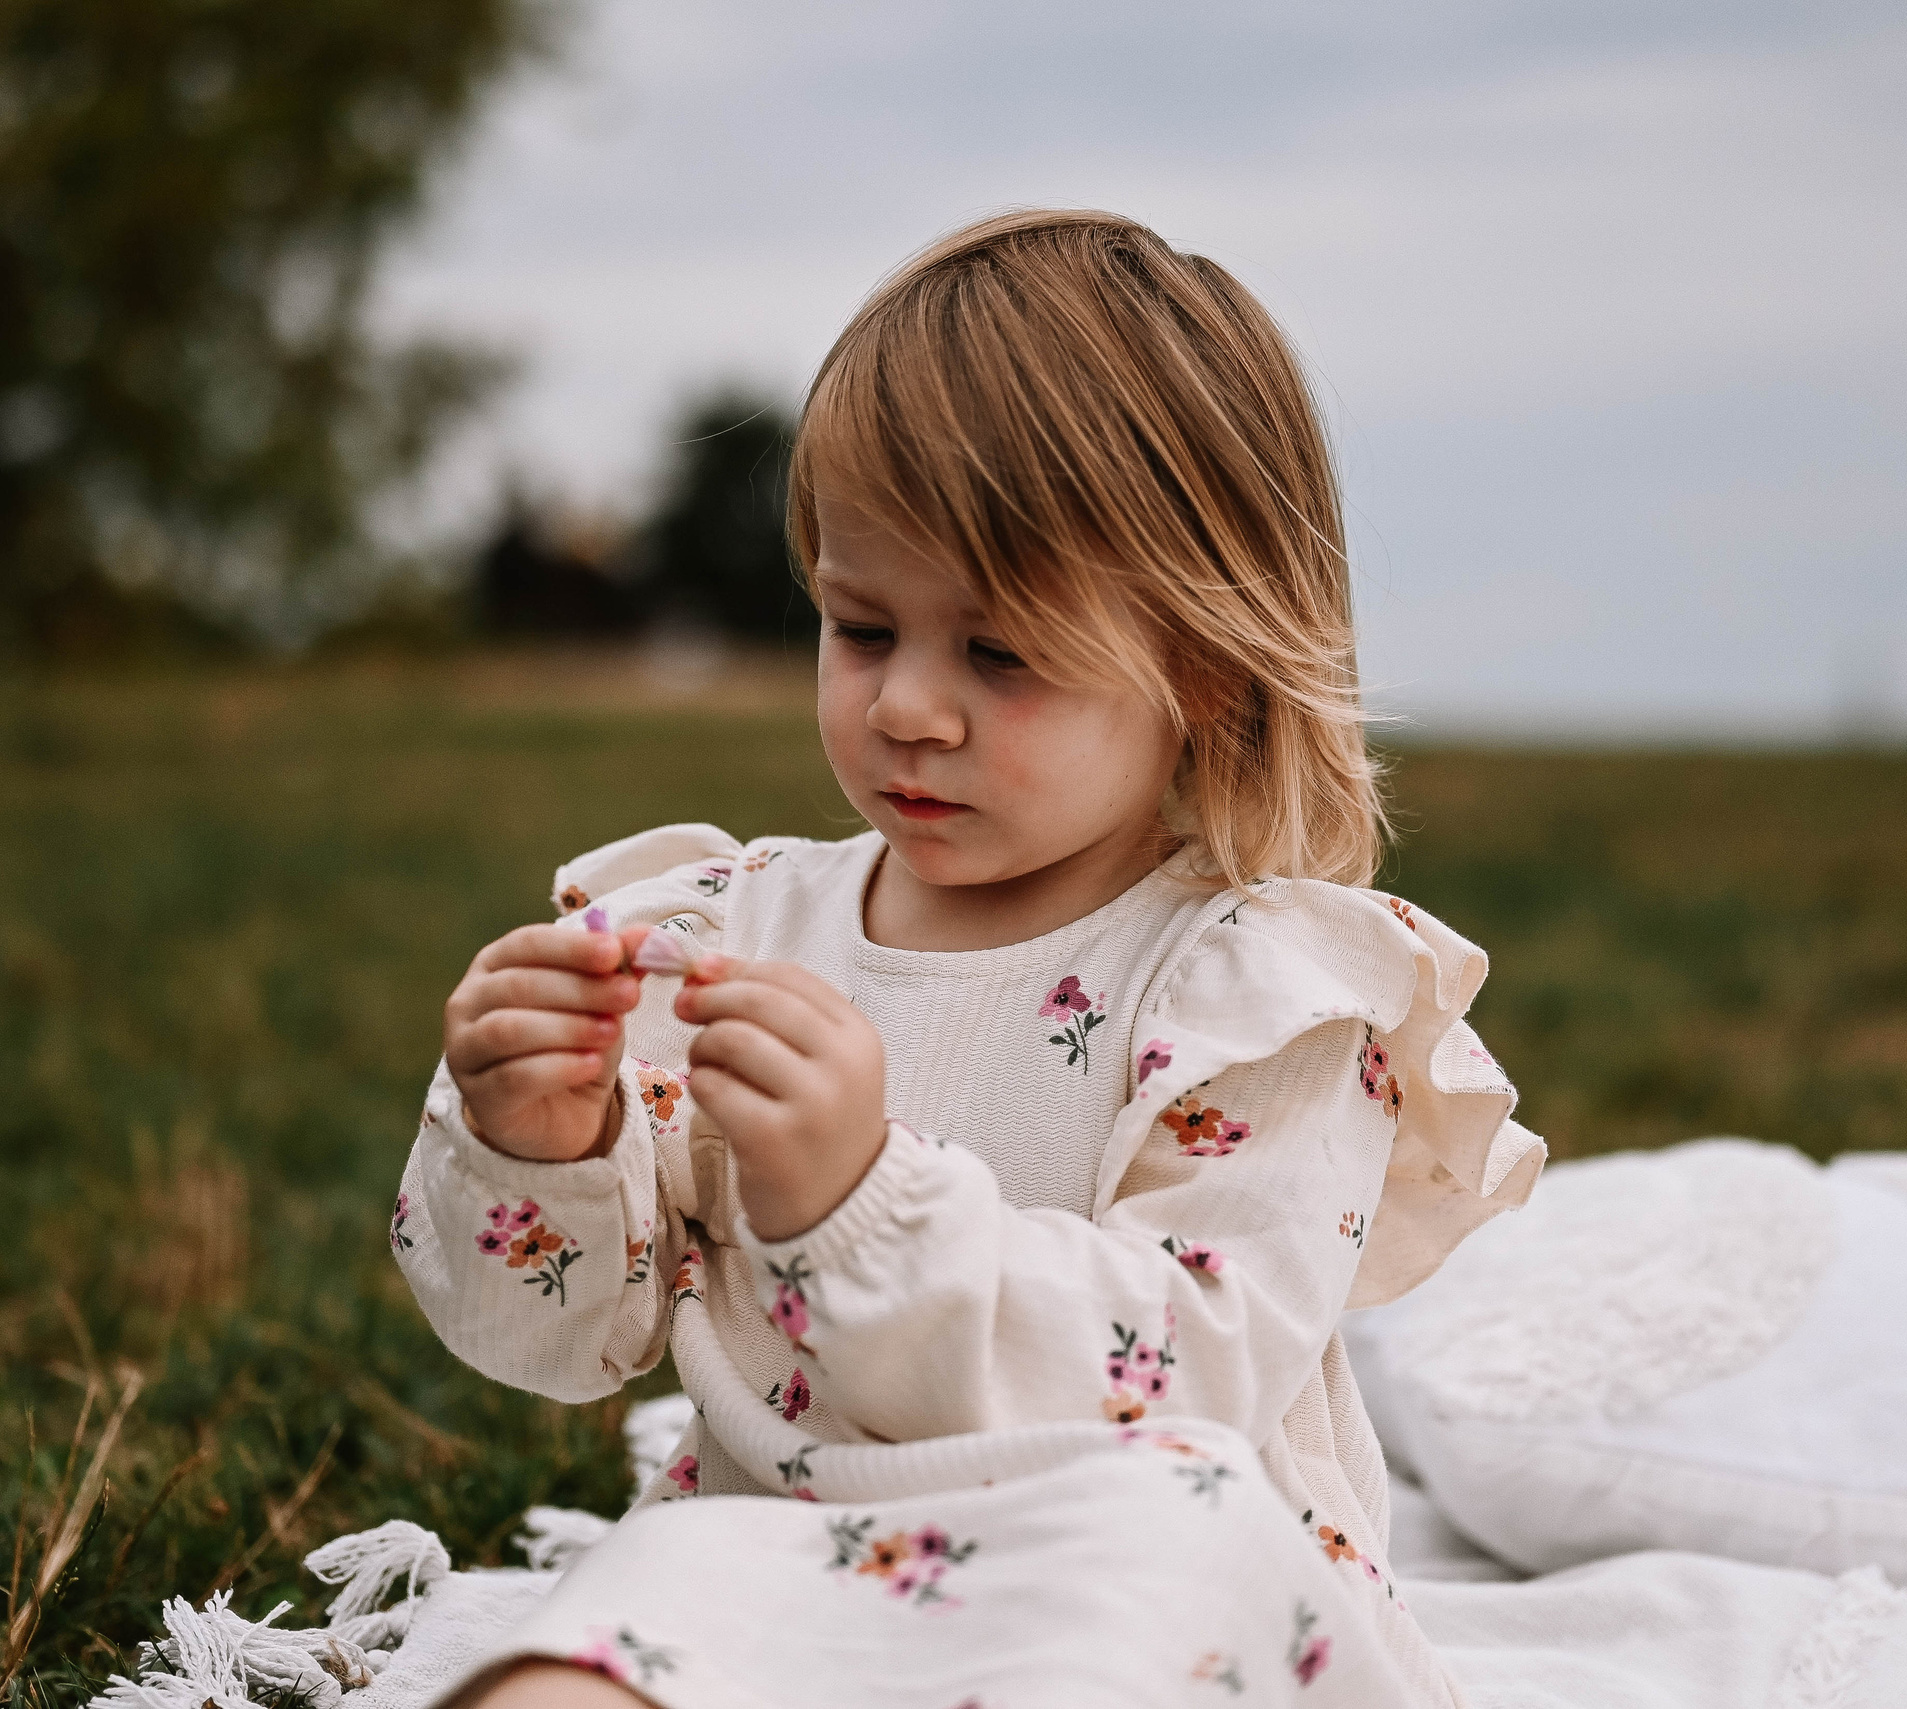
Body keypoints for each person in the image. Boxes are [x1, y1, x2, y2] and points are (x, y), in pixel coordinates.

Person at [394, 209, 1544, 1708]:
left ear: (1201, 664)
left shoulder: (1261, 997)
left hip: (1134, 1595)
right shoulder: (740, 933)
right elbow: (566, 1339)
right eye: (861, 627)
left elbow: (1184, 1379)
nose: (909, 708)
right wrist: (546, 1145)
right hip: (790, 1567)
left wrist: (864, 1206)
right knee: (588, 1649)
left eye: (1000, 655)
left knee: (1165, 1546)